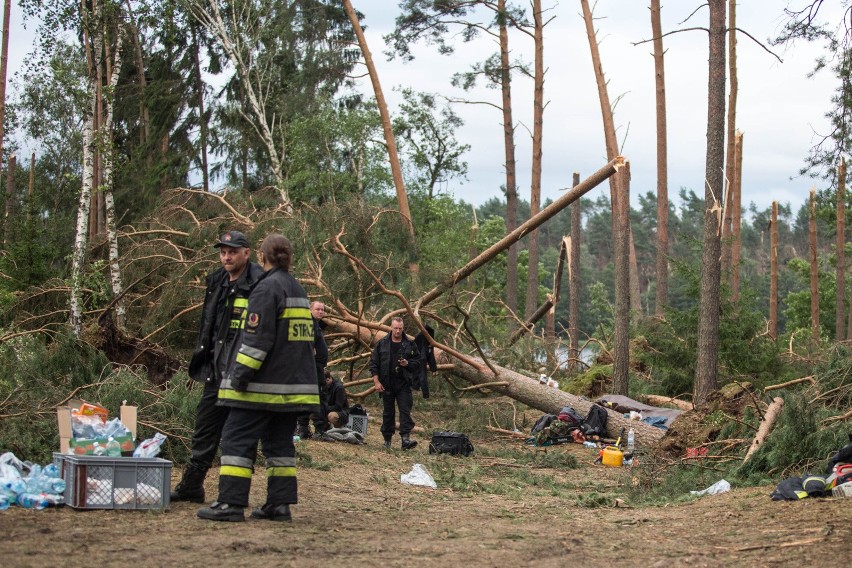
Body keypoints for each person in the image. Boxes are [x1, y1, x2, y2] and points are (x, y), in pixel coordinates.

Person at [197, 234, 319, 523]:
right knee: (280, 448)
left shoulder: (266, 289)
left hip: (259, 389)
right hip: (290, 390)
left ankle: (230, 503)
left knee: (236, 441)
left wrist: (238, 377)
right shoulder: (297, 289)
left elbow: (256, 342)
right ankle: (279, 505)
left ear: (261, 257)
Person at [172, 230, 264, 503]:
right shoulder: (217, 281)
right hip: (216, 371)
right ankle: (191, 486)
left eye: (232, 251)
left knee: (237, 437)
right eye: (223, 252)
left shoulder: (260, 282)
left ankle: (234, 495)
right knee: (204, 429)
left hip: (244, 373)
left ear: (247, 253)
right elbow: (210, 327)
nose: (226, 256)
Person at [370, 317, 421, 450]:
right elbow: (374, 364)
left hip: (403, 383)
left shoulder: (410, 344)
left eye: (400, 328)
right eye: (395, 328)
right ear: (391, 327)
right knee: (388, 412)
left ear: (403, 328)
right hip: (386, 383)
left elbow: (418, 362)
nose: (398, 331)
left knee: (405, 410)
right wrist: (376, 382)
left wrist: (407, 363)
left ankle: (405, 439)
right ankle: (387, 440)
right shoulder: (382, 344)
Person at [296, 301, 329, 438]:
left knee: (320, 397)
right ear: (310, 310)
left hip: (318, 367)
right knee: (313, 397)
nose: (320, 312)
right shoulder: (307, 324)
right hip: (310, 367)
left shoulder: (317, 325)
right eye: (317, 309)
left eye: (322, 309)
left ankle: (319, 428)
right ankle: (306, 428)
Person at [413, 324, 437, 399]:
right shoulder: (423, 338)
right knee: (422, 376)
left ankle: (418, 389)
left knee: (419, 375)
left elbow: (430, 354)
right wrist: (434, 368)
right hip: (420, 359)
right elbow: (430, 355)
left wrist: (434, 368)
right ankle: (425, 395)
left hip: (418, 359)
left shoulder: (421, 337)